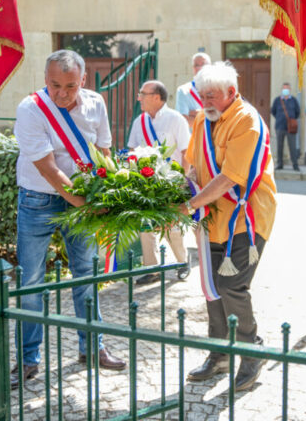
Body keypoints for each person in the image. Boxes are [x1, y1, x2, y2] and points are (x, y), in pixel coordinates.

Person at [12, 49, 126, 386]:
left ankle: (93, 346)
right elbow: (47, 167)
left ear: (84, 81)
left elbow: (104, 151)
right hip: (38, 199)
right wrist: (83, 202)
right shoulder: (30, 108)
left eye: (71, 86)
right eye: (55, 85)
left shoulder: (96, 104)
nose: (62, 93)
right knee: (31, 281)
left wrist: (106, 192)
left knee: (87, 276)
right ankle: (28, 358)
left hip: (83, 201)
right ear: (45, 79)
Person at [182, 61, 277, 392]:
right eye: (202, 94)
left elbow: (229, 178)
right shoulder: (201, 120)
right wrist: (187, 182)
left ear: (232, 93)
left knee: (231, 286)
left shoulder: (246, 120)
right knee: (212, 284)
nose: (206, 101)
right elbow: (193, 164)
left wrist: (192, 203)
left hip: (245, 217)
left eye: (213, 95)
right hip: (213, 216)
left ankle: (252, 351)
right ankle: (220, 355)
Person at [126, 80, 191, 284]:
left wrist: (182, 180)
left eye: (142, 94)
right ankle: (151, 269)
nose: (139, 98)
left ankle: (182, 262)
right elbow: (131, 150)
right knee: (146, 226)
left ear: (156, 97)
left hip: (171, 181)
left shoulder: (175, 119)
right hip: (146, 182)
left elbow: (186, 152)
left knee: (172, 225)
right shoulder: (140, 121)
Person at [270, 82, 300, 171]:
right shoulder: (277, 100)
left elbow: (297, 112)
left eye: (287, 88)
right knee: (280, 146)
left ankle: (295, 164)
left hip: (291, 127)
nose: (285, 90)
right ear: (282, 90)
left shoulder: (293, 100)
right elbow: (273, 111)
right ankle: (280, 164)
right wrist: (280, 118)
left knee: (292, 146)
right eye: (284, 88)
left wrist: (291, 120)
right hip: (280, 126)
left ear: (290, 90)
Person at [175, 52, 211, 127]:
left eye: (203, 65)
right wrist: (210, 116)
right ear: (193, 68)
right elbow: (183, 121)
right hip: (192, 138)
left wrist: (195, 114)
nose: (199, 68)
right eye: (196, 65)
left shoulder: (218, 89)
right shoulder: (183, 90)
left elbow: (222, 119)